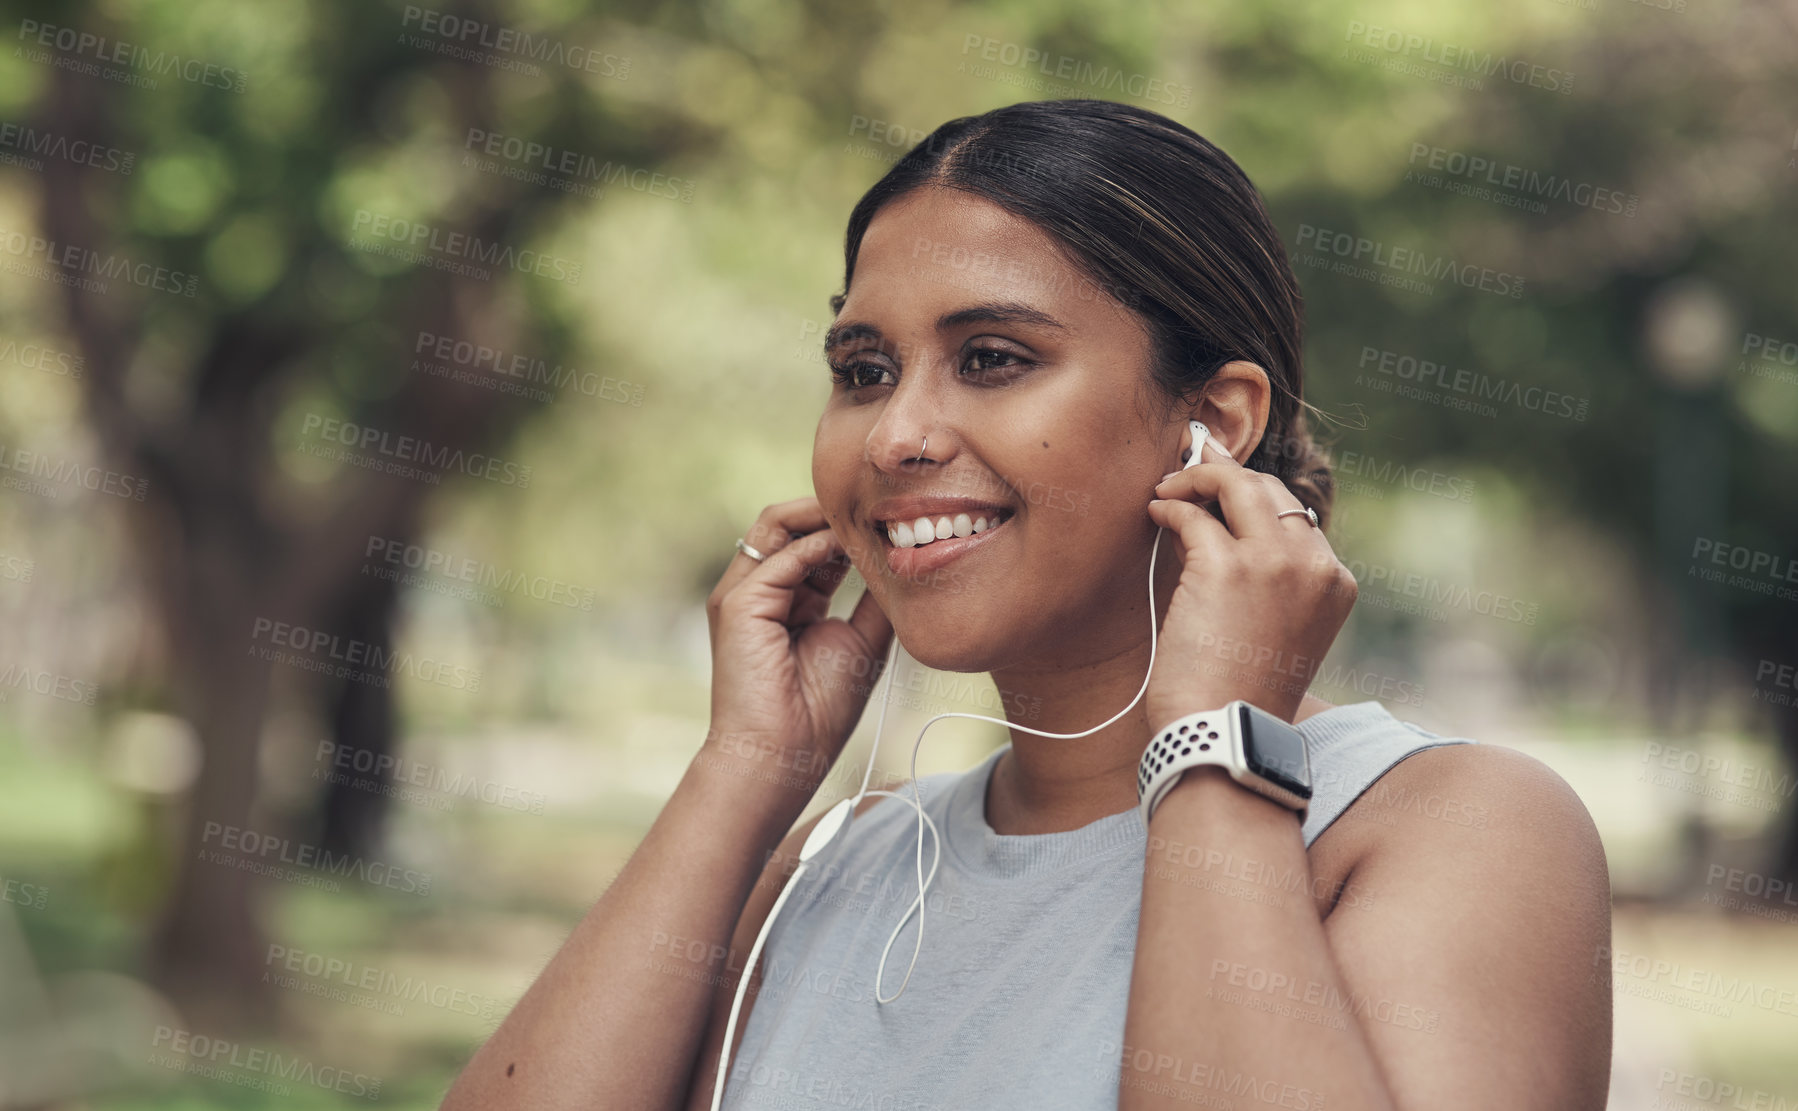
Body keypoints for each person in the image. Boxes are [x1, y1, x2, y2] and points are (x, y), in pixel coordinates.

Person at [440, 98, 1612, 1111]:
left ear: (1217, 421)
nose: (897, 434)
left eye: (992, 356)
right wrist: (744, 766)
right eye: (861, 370)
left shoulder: (1452, 828)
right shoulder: (838, 858)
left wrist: (1211, 748)